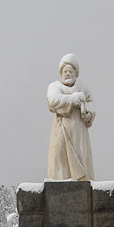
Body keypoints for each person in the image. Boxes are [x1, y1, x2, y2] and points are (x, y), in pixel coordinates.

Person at [47, 53, 95, 181]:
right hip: (62, 127)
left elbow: (91, 103)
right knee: (60, 158)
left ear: (75, 73)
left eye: (70, 71)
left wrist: (89, 113)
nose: (68, 74)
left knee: (81, 156)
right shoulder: (55, 86)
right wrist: (73, 99)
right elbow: (53, 100)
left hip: (78, 129)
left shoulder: (83, 88)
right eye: (65, 71)